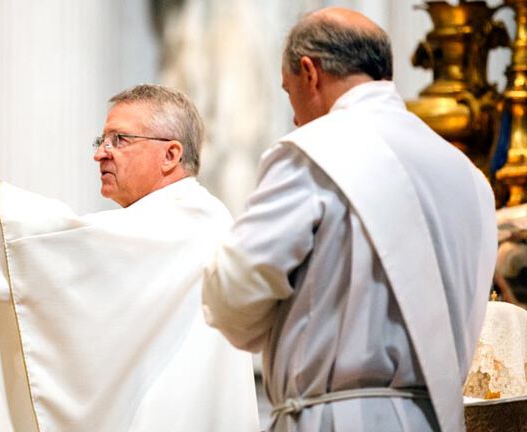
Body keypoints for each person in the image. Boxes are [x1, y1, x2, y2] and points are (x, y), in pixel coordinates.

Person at [201, 7, 497, 432]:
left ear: (310, 73)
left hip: (334, 418)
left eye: (289, 93)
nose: (294, 116)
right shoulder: (467, 176)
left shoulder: (314, 152)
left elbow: (235, 289)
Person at [0, 84, 259, 431]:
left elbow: (79, 263)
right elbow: (80, 307)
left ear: (170, 154)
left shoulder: (196, 221)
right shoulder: (156, 226)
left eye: (119, 140)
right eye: (101, 141)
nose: (101, 153)